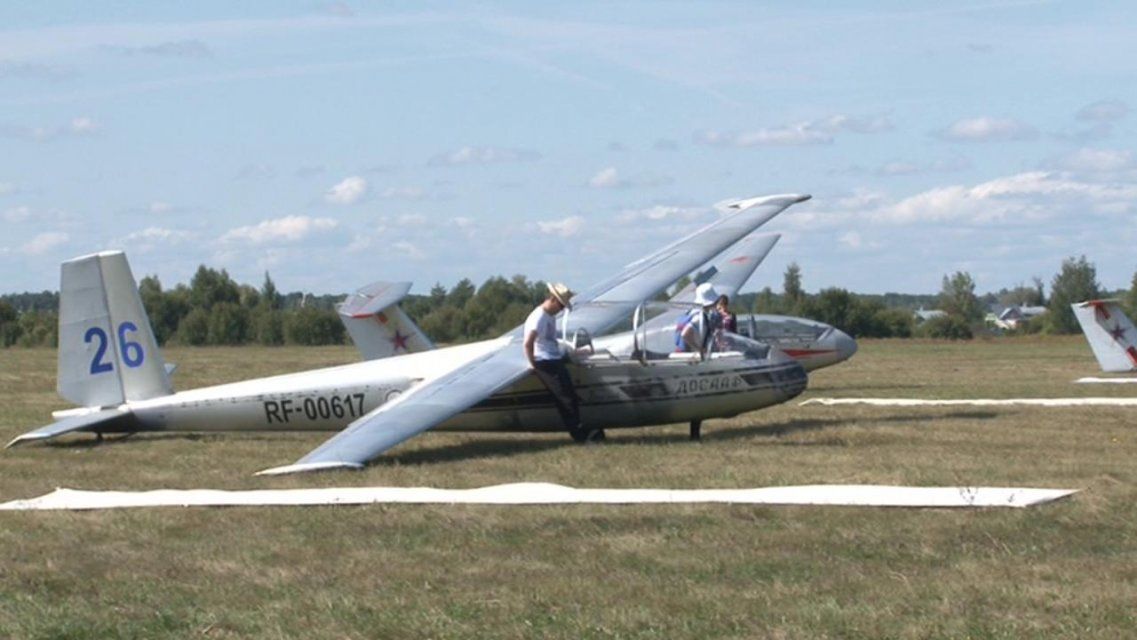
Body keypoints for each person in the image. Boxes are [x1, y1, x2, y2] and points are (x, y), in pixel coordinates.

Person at [524, 282, 602, 443]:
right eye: (560, 305)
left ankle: (581, 430)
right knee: (564, 398)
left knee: (570, 396)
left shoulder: (548, 316)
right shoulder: (539, 317)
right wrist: (533, 364)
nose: (560, 309)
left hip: (553, 358)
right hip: (544, 361)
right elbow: (528, 343)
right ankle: (579, 435)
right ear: (553, 299)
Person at [677, 282, 720, 354]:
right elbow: (685, 334)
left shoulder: (700, 314)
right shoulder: (699, 317)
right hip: (696, 356)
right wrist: (699, 349)